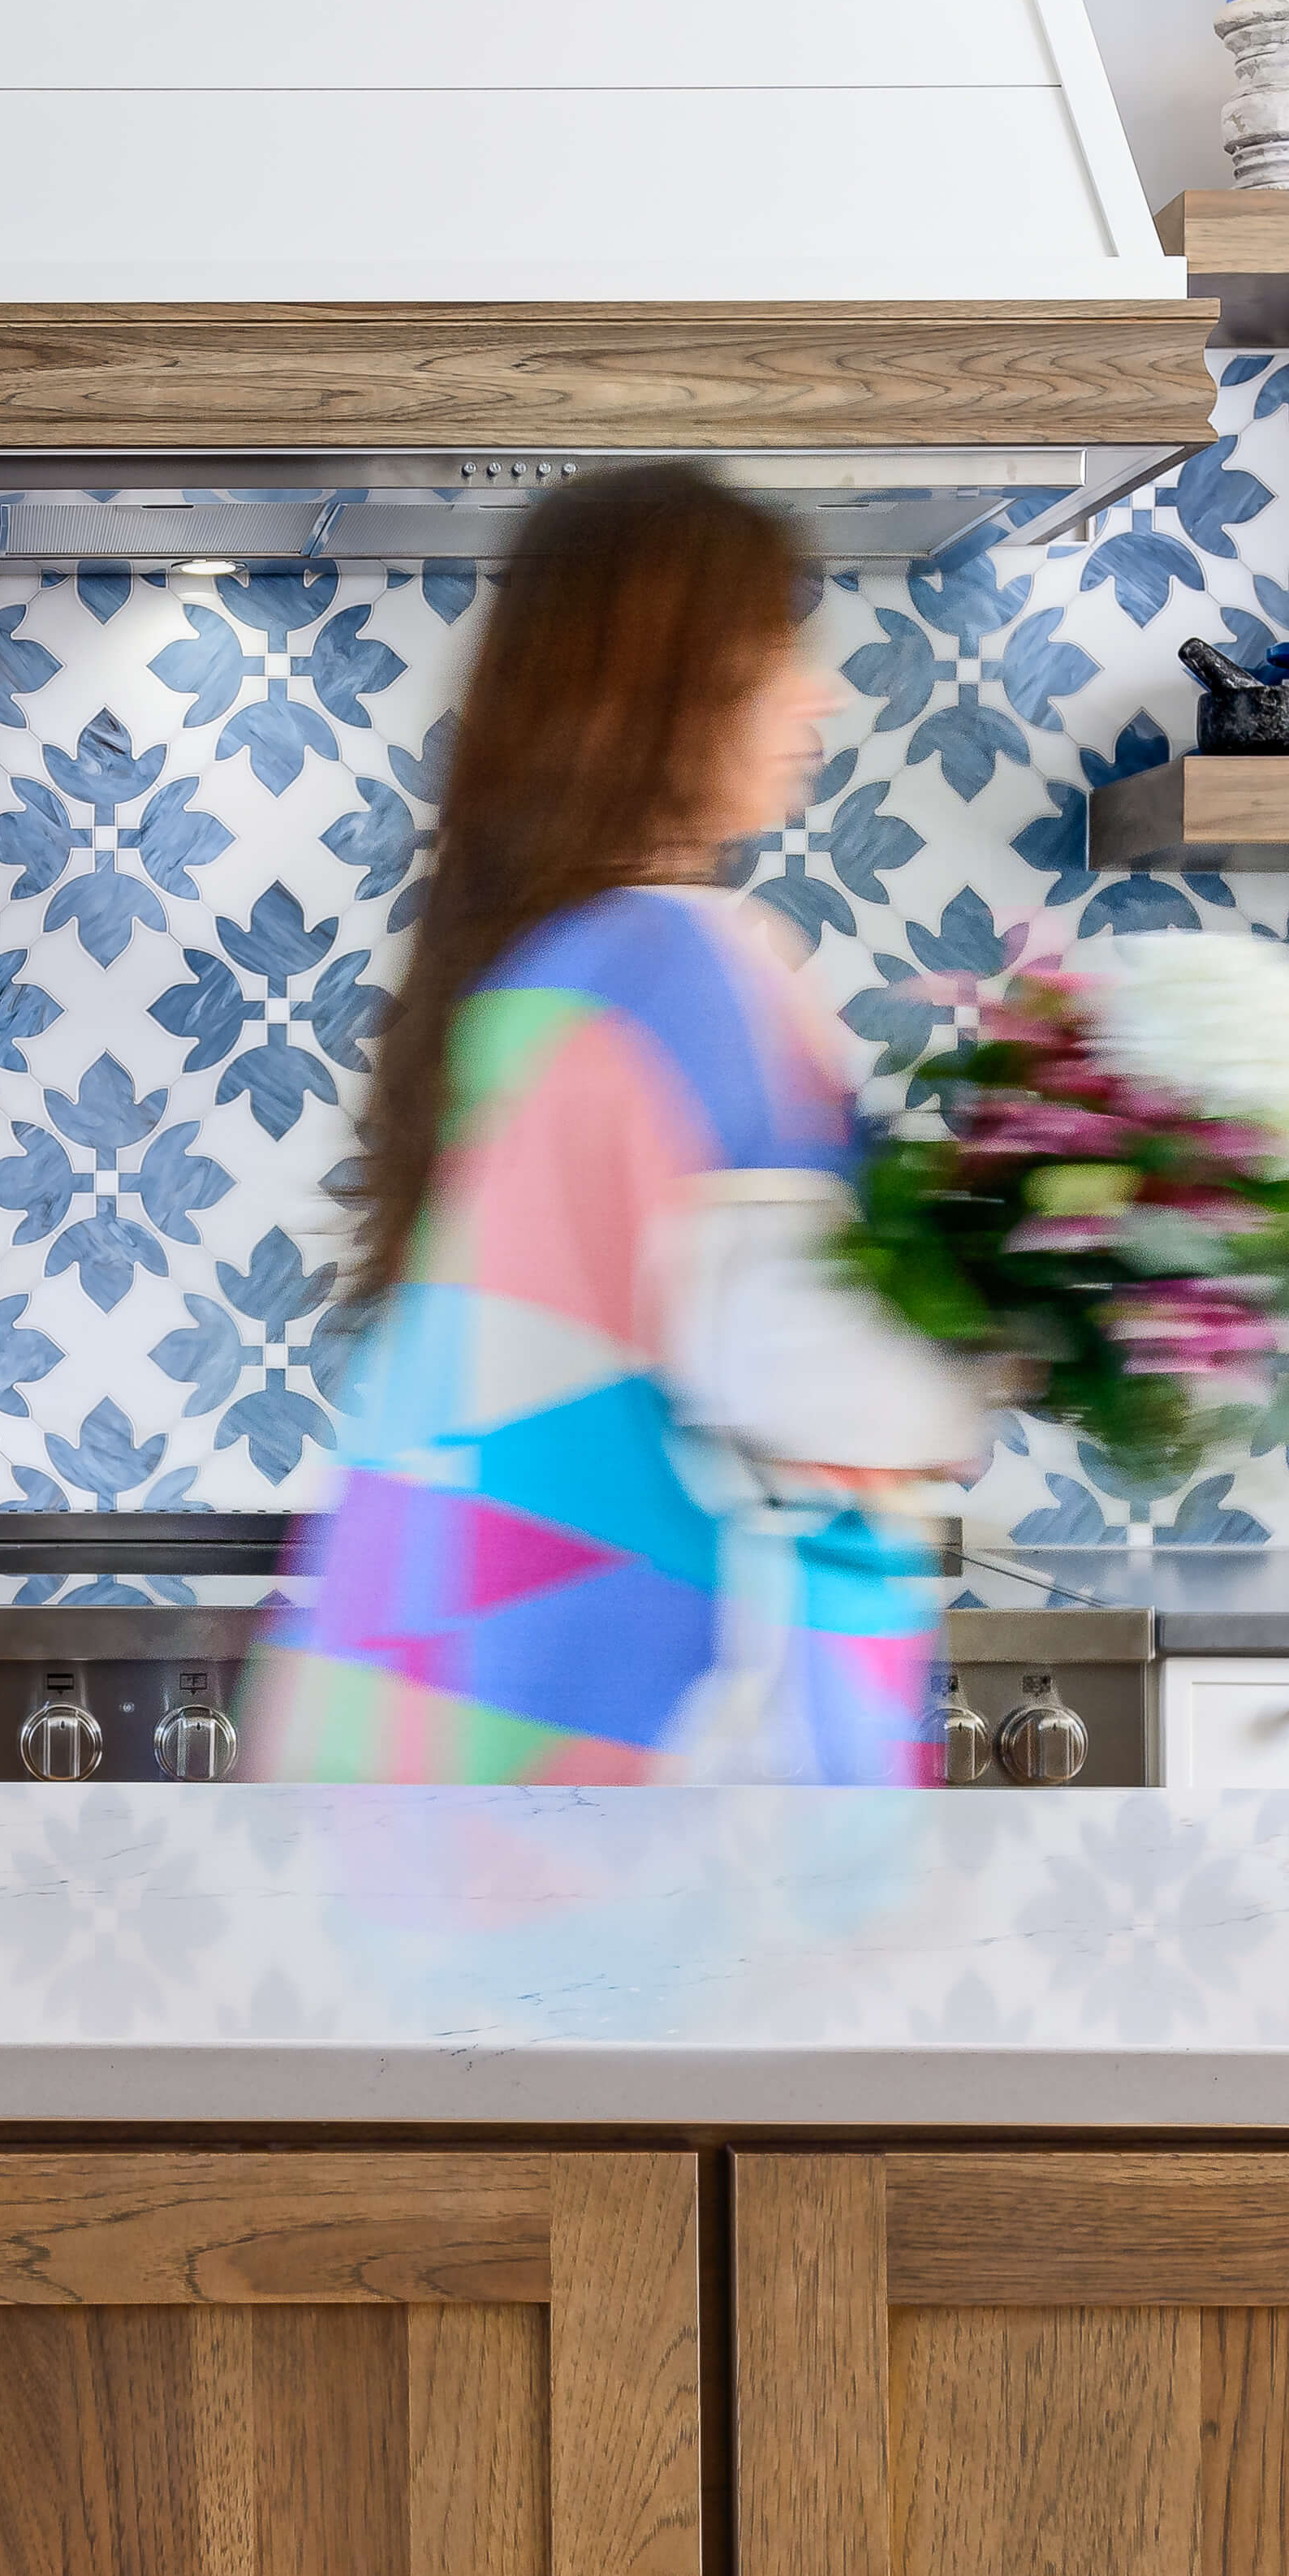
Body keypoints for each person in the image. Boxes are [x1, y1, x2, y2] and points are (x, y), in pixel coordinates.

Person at [248, 461, 992, 1783]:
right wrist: (1056, 1307)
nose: (817, 696)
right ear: (667, 684)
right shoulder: (684, 964)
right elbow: (817, 1377)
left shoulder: (530, 969)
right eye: (778, 650)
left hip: (466, 1694)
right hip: (651, 1733)